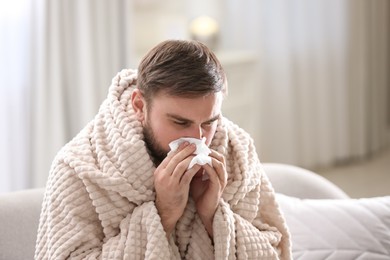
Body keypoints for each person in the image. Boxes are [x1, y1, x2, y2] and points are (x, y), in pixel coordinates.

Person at [35, 39, 292, 259]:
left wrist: (213, 215)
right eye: (180, 122)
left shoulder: (237, 151)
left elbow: (276, 251)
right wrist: (163, 213)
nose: (198, 138)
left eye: (209, 122)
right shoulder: (79, 168)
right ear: (139, 106)